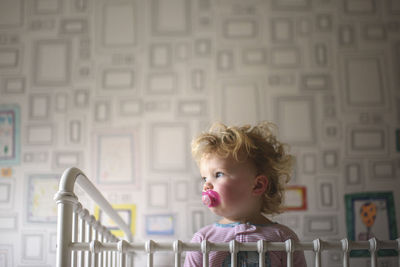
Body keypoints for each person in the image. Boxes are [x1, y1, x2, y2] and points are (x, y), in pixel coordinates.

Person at [184, 122, 307, 267]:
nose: (207, 185)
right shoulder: (203, 239)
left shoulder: (284, 238)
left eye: (218, 174)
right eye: (205, 178)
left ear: (258, 185)